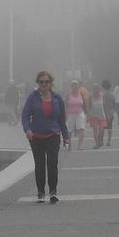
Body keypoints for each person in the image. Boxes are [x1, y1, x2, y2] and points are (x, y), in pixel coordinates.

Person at [21, 71, 69, 203]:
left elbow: (61, 119)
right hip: (36, 135)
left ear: (50, 83)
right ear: (38, 83)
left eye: (46, 82)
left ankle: (53, 192)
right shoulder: (32, 97)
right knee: (40, 164)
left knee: (52, 164)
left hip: (53, 134)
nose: (43, 84)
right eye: (41, 82)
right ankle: (40, 192)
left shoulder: (57, 98)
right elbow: (25, 116)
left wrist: (66, 136)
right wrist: (27, 129)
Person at [64, 80, 87, 150]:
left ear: (78, 86)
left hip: (80, 113)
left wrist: (87, 112)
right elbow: (65, 105)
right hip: (70, 114)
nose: (75, 87)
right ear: (71, 87)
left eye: (76, 85)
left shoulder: (81, 94)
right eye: (73, 85)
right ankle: (69, 145)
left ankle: (80, 145)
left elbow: (84, 103)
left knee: (81, 128)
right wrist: (64, 115)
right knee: (69, 130)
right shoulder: (68, 95)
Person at [86, 83, 108, 148]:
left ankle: (100, 140)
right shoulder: (90, 97)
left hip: (101, 115)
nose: (96, 90)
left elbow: (105, 106)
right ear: (93, 90)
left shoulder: (102, 96)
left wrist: (107, 114)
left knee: (101, 130)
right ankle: (97, 144)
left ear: (99, 89)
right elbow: (88, 107)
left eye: (97, 89)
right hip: (93, 116)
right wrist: (88, 115)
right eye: (95, 89)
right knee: (95, 130)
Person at [99, 80, 117, 146]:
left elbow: (103, 104)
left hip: (104, 113)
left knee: (102, 127)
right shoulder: (112, 94)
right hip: (111, 113)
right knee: (110, 127)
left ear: (103, 86)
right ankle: (109, 141)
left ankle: (101, 141)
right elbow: (115, 104)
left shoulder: (103, 95)